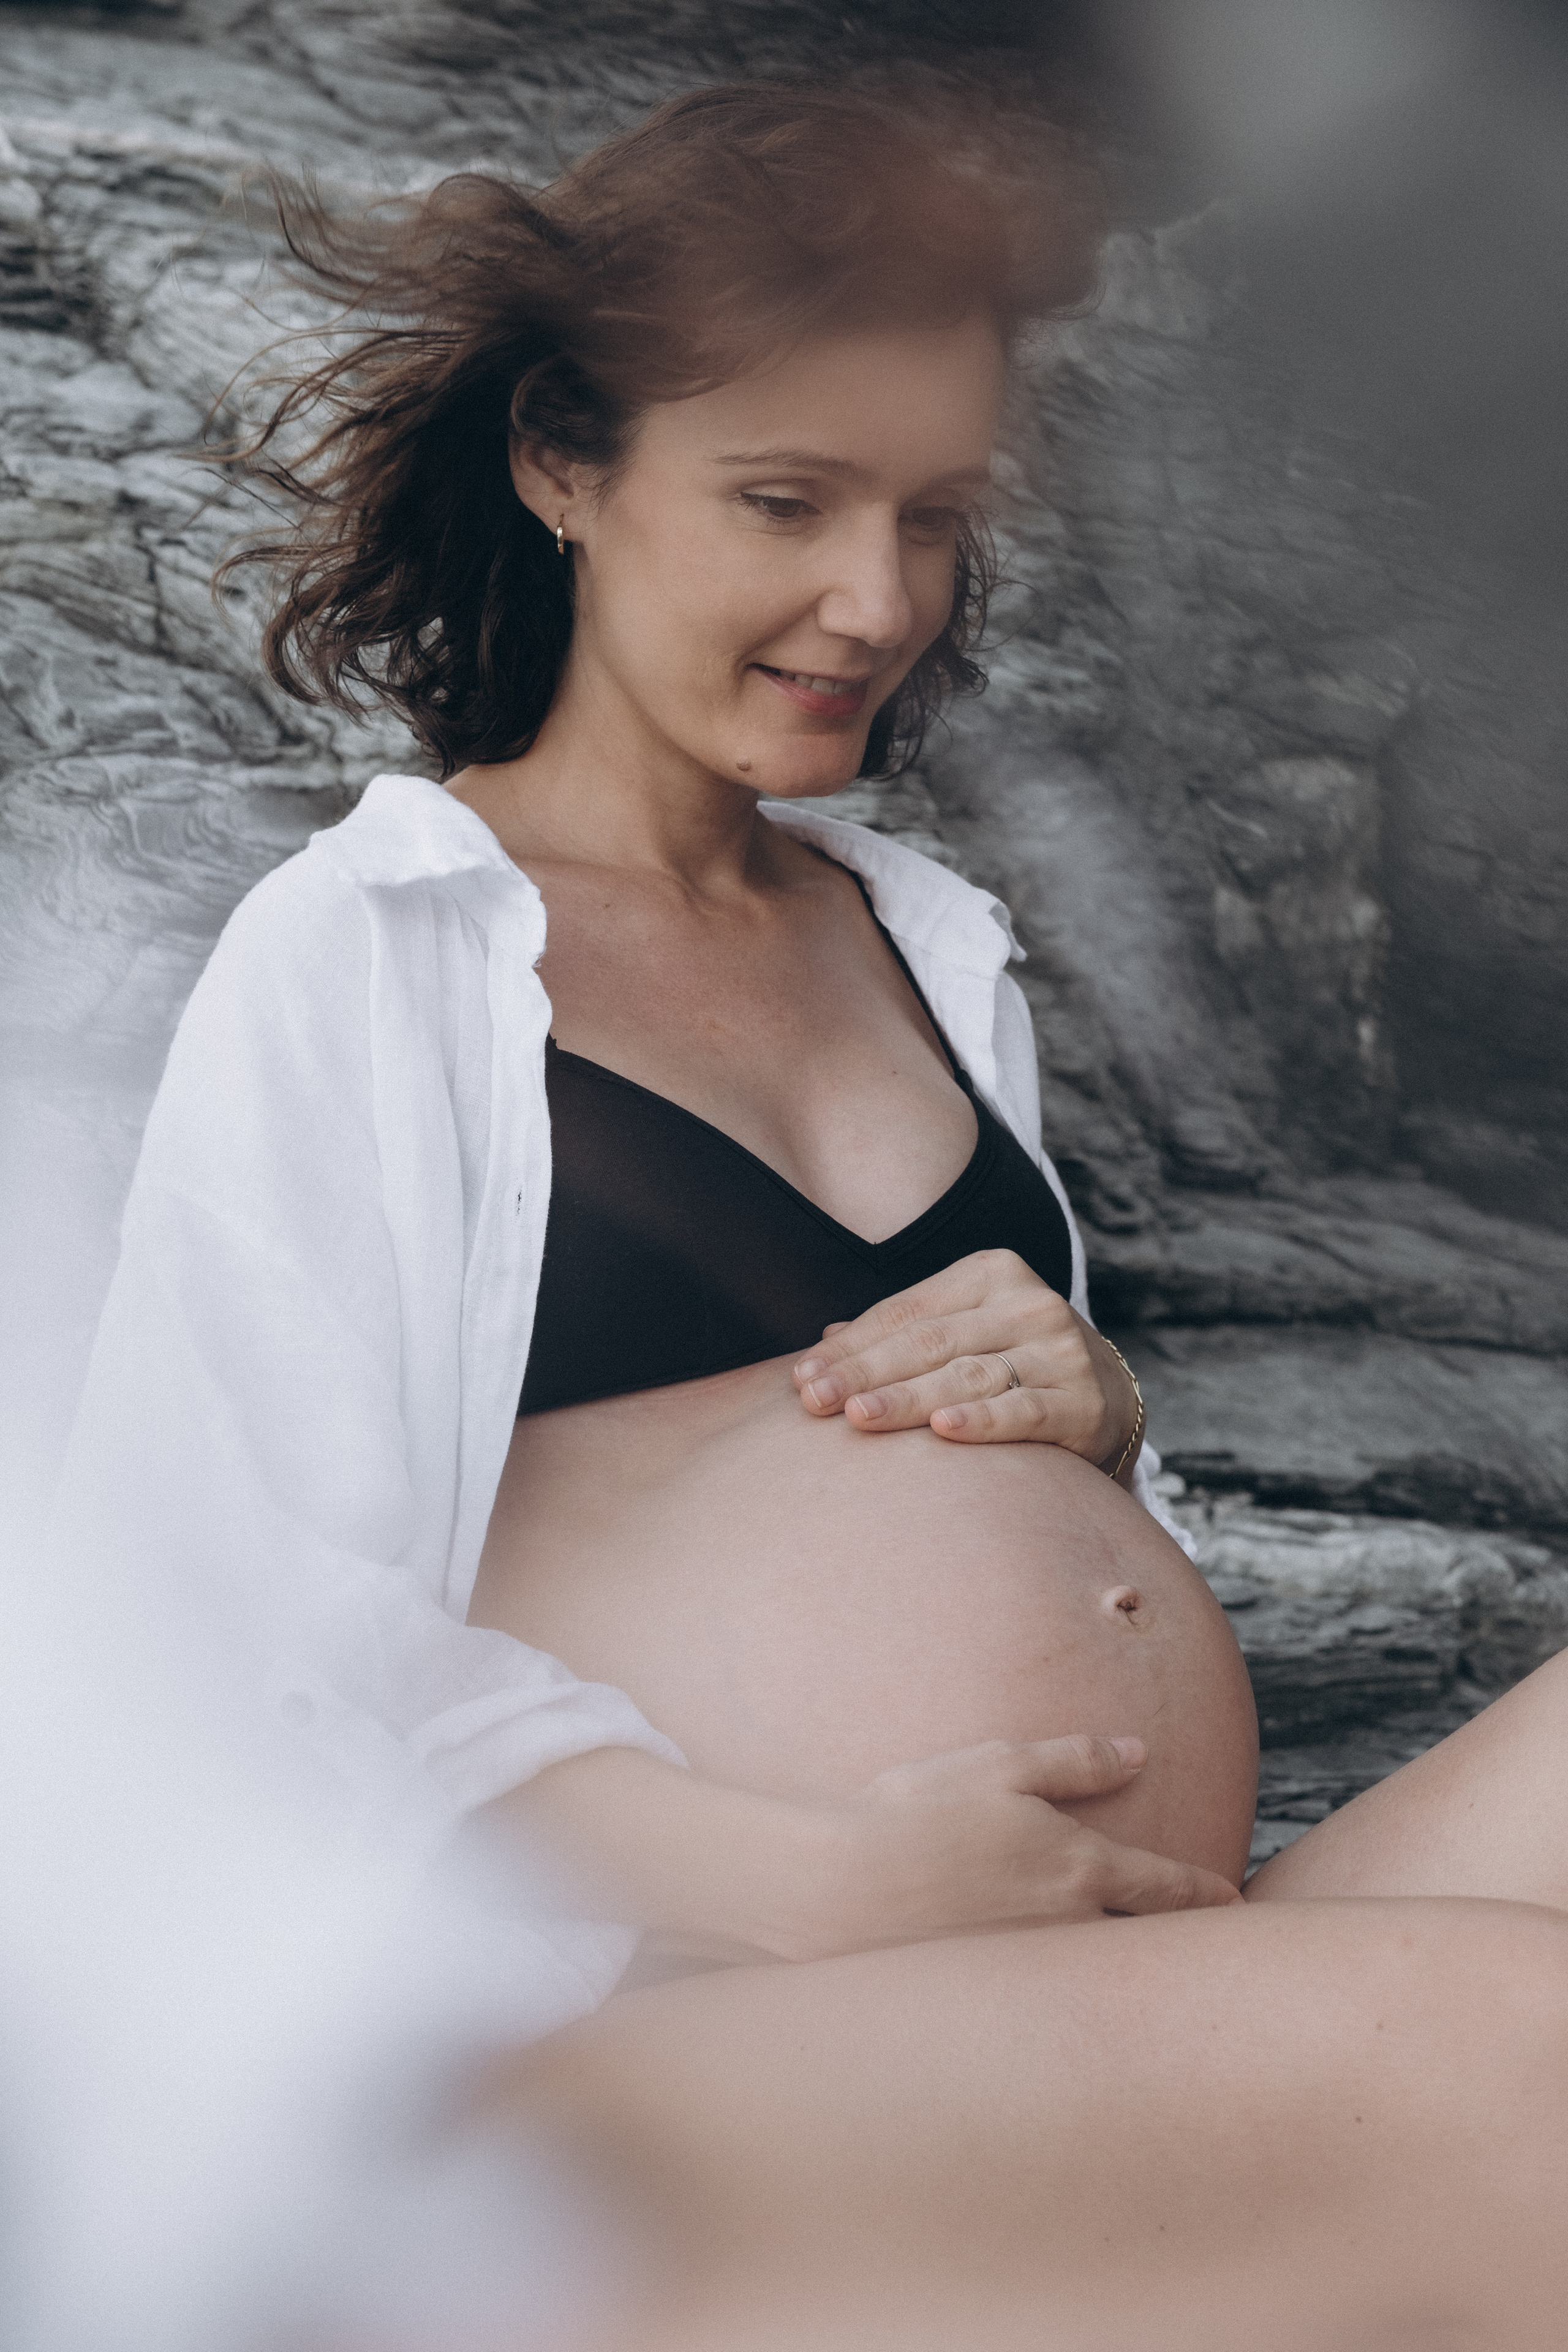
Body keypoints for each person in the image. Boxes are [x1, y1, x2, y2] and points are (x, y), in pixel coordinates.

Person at [65, 81, 1568, 2348]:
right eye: (785, 499)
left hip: (1088, 1946)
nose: (878, 601)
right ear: (565, 466)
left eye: (937, 517)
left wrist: (1096, 1404)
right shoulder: (376, 946)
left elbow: (977, 1527)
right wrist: (814, 1880)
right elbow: (225, 1634)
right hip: (658, 2030)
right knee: (1533, 2080)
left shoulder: (925, 937)